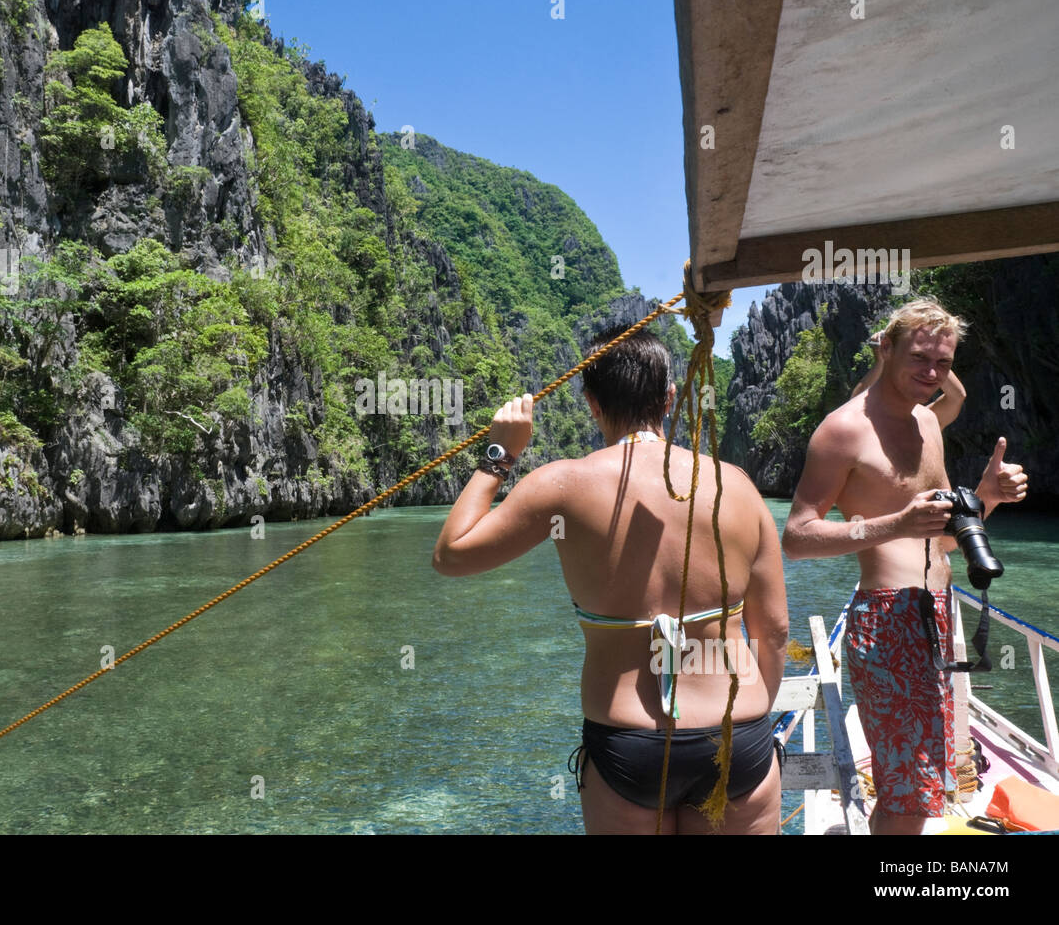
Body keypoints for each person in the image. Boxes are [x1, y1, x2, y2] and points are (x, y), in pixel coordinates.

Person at [431, 328, 788, 834]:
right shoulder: (738, 487)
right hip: (736, 737)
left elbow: (451, 555)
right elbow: (772, 632)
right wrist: (753, 722)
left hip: (628, 743)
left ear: (591, 402)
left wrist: (499, 453)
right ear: (669, 398)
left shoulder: (561, 485)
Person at [781, 298, 1027, 834]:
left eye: (943, 362)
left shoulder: (927, 424)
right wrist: (893, 525)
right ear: (886, 350)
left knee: (921, 786)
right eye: (920, 358)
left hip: (939, 611)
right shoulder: (843, 430)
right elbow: (796, 537)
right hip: (888, 622)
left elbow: (943, 540)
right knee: (908, 795)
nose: (932, 373)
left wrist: (990, 496)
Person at [850, 329, 966, 428]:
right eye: (918, 356)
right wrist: (882, 359)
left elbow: (957, 396)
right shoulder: (865, 425)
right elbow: (856, 403)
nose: (931, 375)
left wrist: (932, 353)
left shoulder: (925, 422)